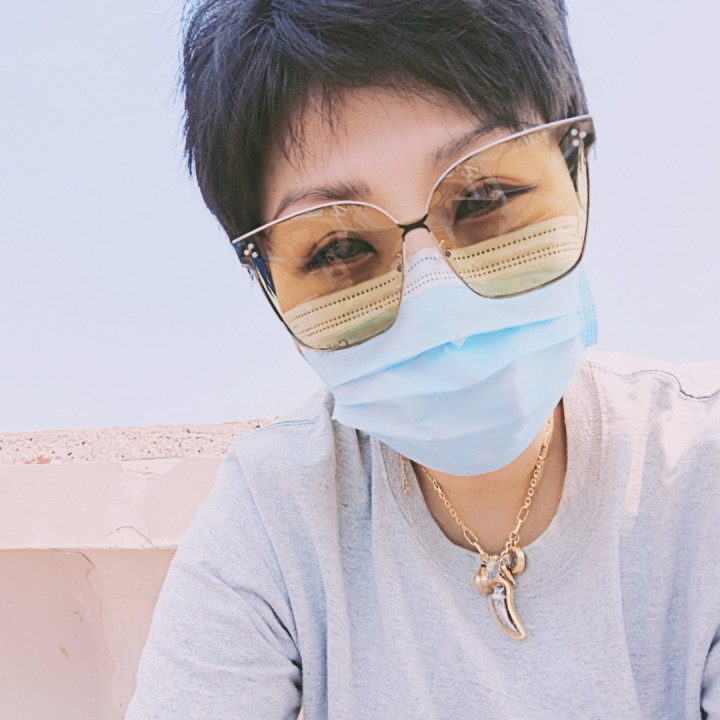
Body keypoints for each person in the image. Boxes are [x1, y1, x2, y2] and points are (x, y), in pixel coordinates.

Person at [127, 0, 720, 717]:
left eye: (484, 197)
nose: (434, 300)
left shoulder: (702, 470)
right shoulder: (272, 519)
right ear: (271, 287)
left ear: (574, 170)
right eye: (340, 248)